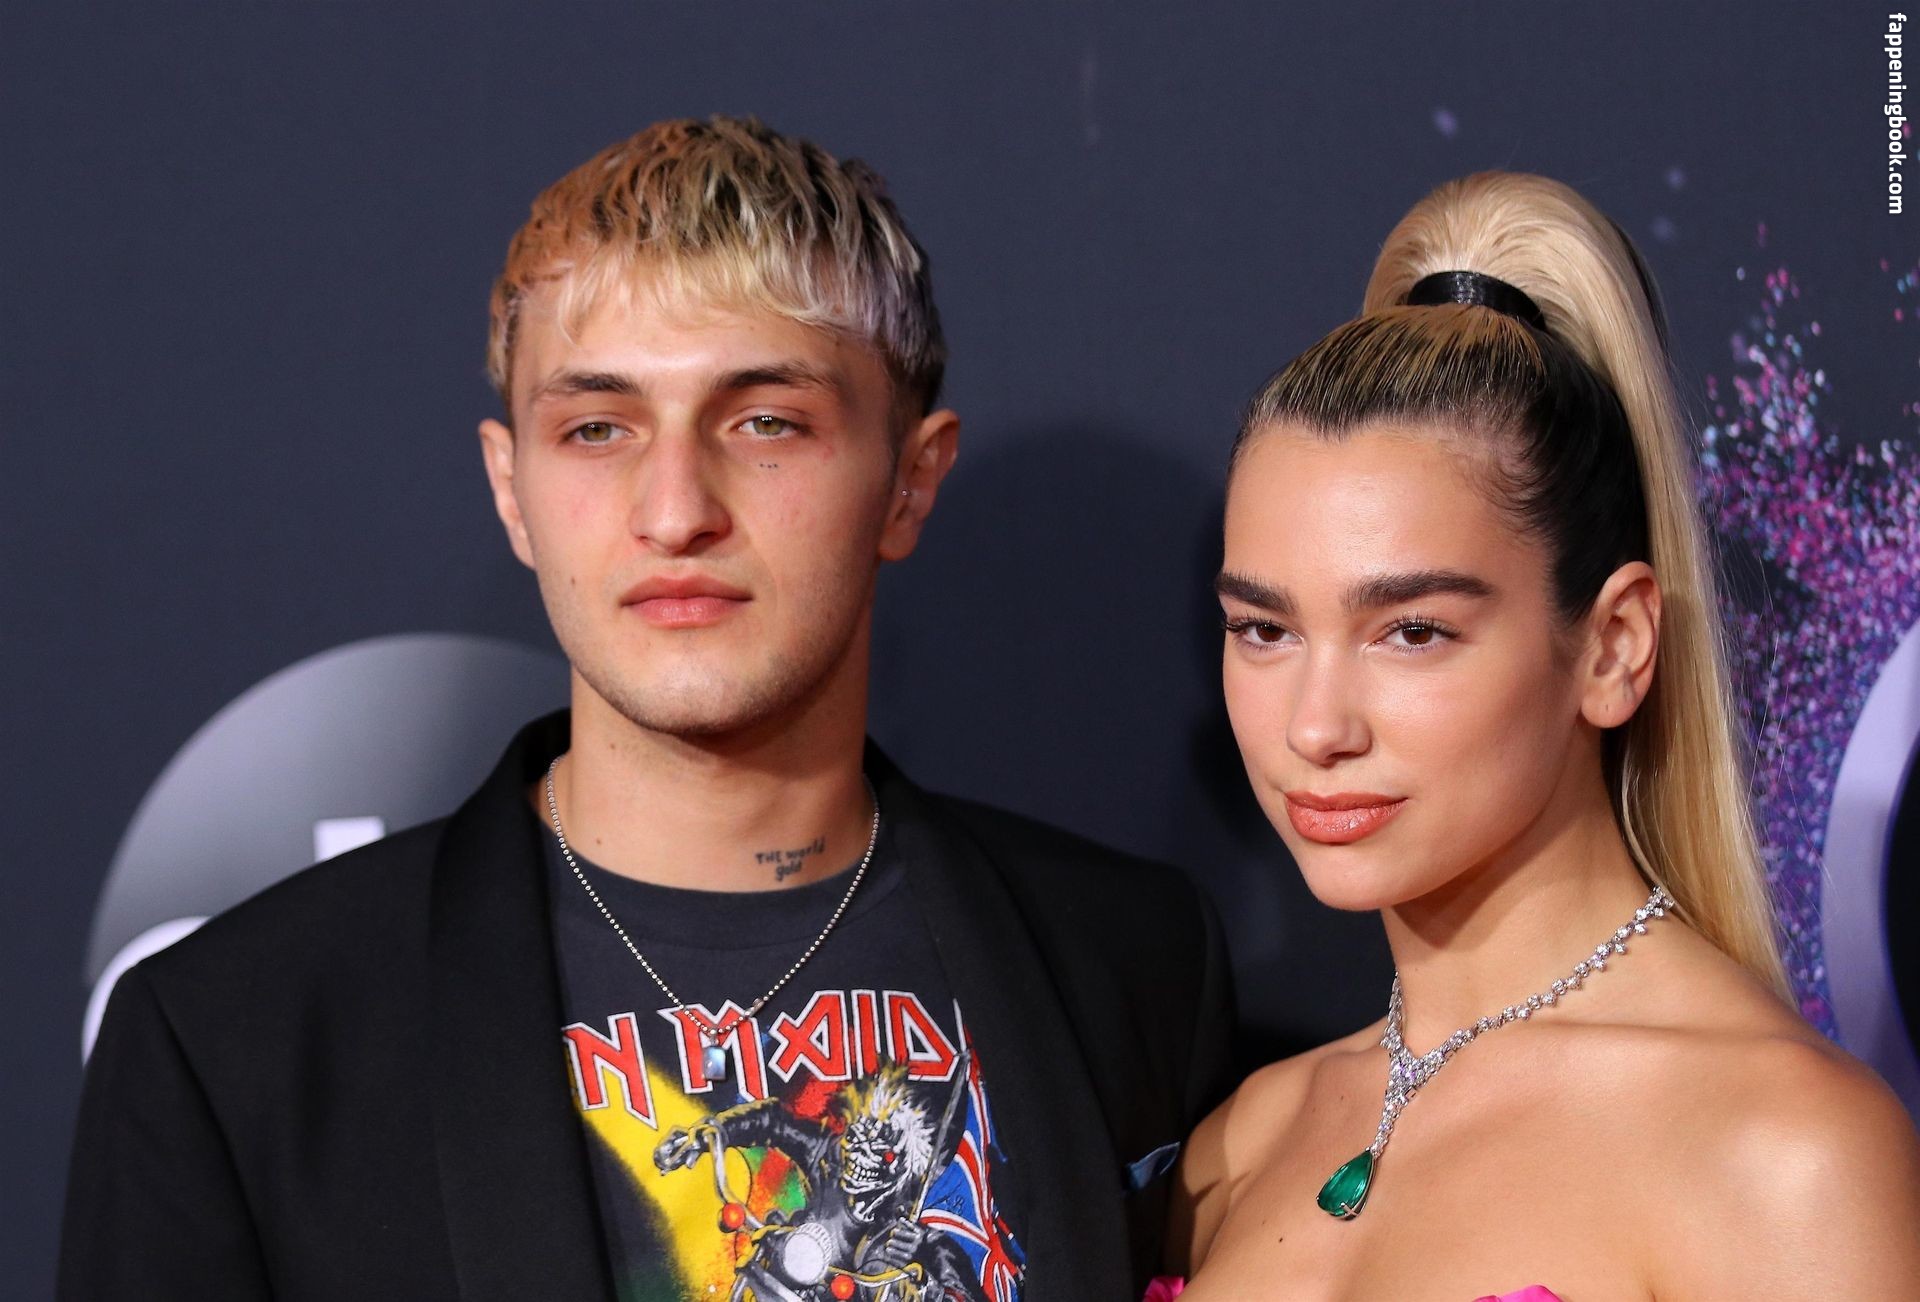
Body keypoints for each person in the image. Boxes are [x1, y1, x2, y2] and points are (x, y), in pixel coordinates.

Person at [60, 116, 1234, 1302]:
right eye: (597, 429)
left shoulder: (1133, 965)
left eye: (766, 420)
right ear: (511, 489)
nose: (676, 512)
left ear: (910, 482)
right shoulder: (237, 1036)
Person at [1164, 172, 1920, 1299]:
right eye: (1264, 630)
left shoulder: (1784, 1156)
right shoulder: (1239, 1147)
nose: (1314, 727)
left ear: (1614, 646)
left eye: (1413, 632)